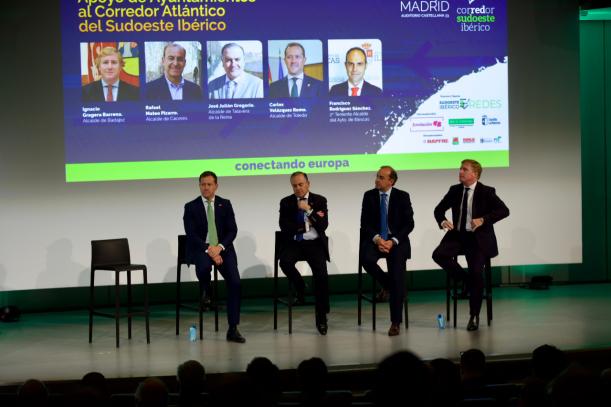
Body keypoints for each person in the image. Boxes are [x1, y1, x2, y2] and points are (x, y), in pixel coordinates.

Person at [432, 159, 509, 331]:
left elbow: (504, 211)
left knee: (476, 273)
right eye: (460, 169)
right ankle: (465, 280)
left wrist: (483, 220)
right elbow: (438, 210)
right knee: (438, 255)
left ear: (475, 174)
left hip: (478, 238)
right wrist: (443, 220)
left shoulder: (486, 192)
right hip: (458, 236)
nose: (460, 172)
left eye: (464, 170)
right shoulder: (455, 190)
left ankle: (474, 316)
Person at [183, 171, 246, 343]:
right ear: (199, 186)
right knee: (204, 268)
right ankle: (207, 288)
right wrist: (209, 249)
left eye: (209, 184)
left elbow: (232, 230)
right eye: (203, 184)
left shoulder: (225, 204)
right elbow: (191, 234)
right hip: (202, 249)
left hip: (223, 249)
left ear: (216, 186)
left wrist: (219, 248)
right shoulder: (191, 206)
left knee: (235, 282)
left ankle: (233, 328)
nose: (206, 187)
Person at [360, 166, 414, 336]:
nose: (377, 180)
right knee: (366, 259)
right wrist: (377, 239)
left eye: (381, 177)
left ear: (391, 181)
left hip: (396, 242)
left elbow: (409, 224)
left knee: (397, 273)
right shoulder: (369, 196)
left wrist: (392, 241)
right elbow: (365, 223)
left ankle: (395, 322)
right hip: (376, 239)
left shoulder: (402, 196)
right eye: (377, 176)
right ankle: (388, 285)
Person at [279, 172, 330, 335]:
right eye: (294, 185)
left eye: (301, 184)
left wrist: (308, 210)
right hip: (295, 242)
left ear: (308, 184)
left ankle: (321, 318)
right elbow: (284, 226)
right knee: (285, 262)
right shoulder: (286, 202)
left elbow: (322, 225)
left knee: (321, 276)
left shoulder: (320, 200)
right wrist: (299, 225)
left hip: (314, 244)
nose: (298, 188)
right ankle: (300, 286)